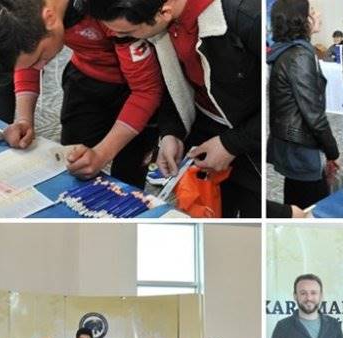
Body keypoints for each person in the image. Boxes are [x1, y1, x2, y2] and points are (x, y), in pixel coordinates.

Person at [90, 0, 262, 217]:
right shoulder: (162, 20)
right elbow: (175, 80)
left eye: (127, 32)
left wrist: (231, 144)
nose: (117, 37)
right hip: (206, 125)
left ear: (164, 13)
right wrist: (172, 132)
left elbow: (277, 103)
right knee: (213, 212)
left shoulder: (247, 17)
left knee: (254, 218)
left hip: (251, 135)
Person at [0, 0, 162, 189]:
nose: (40, 66)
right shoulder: (28, 18)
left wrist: (102, 154)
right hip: (85, 81)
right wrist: (24, 120)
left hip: (137, 90)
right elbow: (27, 60)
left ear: (49, 18)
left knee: (129, 176)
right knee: (73, 163)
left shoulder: (112, 9)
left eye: (40, 57)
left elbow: (146, 90)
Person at [267, 0, 339, 209]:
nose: (318, 15)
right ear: (302, 20)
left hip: (293, 145)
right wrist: (333, 152)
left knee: (295, 204)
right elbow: (313, 115)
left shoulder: (291, 51)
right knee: (309, 210)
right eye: (313, 11)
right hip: (301, 148)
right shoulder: (299, 56)